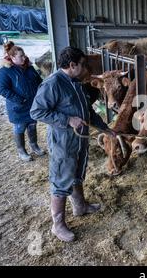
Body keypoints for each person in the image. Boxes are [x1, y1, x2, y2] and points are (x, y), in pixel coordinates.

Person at [30, 47, 113, 242]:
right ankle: (57, 225)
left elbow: (88, 111)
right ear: (72, 65)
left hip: (79, 139)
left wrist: (106, 129)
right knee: (61, 179)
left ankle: (80, 206)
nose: (86, 68)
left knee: (76, 172)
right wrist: (68, 120)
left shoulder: (76, 82)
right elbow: (36, 112)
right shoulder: (52, 84)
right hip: (63, 141)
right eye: (83, 64)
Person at [0, 42, 45, 162]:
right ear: (12, 58)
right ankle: (21, 150)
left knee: (32, 125)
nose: (24, 58)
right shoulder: (5, 71)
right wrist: (19, 99)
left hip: (33, 104)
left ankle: (34, 146)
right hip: (18, 106)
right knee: (20, 127)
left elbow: (39, 82)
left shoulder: (29, 68)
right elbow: (2, 89)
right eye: (20, 56)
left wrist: (41, 95)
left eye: (24, 55)